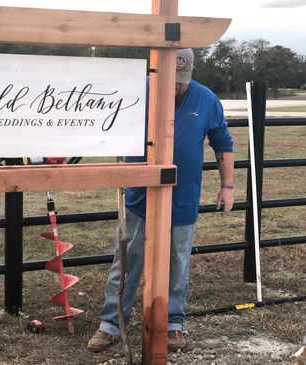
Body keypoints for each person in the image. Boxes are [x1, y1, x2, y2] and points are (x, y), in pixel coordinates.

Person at [87, 48, 234, 352]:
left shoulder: (207, 100)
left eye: (181, 79)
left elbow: (223, 142)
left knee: (177, 265)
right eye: (170, 79)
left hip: (183, 199)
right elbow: (107, 126)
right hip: (139, 197)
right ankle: (112, 325)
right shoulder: (136, 92)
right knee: (128, 262)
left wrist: (227, 186)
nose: (176, 85)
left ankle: (172, 324)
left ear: (190, 72)